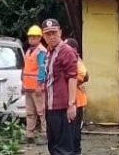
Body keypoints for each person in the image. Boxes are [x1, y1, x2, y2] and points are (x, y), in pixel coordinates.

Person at [42, 18, 79, 155]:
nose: (51, 37)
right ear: (43, 36)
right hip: (51, 107)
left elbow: (73, 78)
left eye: (54, 33)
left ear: (60, 32)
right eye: (47, 34)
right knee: (53, 146)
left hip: (63, 107)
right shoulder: (49, 52)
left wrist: (71, 104)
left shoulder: (66, 51)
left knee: (64, 149)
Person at [22, 25, 48, 145]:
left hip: (37, 87)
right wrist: (23, 84)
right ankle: (30, 134)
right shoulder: (28, 50)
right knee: (30, 112)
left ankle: (45, 134)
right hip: (28, 87)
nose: (31, 39)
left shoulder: (41, 51)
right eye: (30, 37)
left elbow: (42, 69)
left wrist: (39, 85)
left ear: (39, 38)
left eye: (34, 37)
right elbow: (26, 68)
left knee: (41, 111)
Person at [65, 38, 89, 155]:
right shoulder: (69, 58)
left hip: (77, 101)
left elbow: (85, 76)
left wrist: (70, 79)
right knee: (69, 130)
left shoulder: (75, 59)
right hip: (70, 101)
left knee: (75, 131)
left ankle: (76, 152)